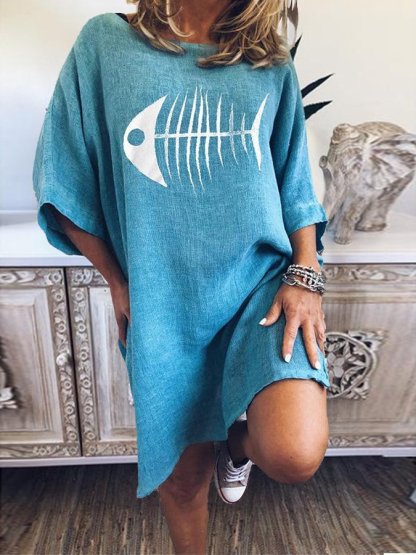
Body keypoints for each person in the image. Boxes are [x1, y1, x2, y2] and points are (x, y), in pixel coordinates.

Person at [32, 1, 331, 552]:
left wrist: (305, 274)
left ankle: (235, 447)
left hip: (261, 288)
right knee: (183, 479)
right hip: (164, 299)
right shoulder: (105, 44)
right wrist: (118, 282)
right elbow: (62, 175)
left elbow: (294, 183)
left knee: (294, 454)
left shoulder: (269, 60)